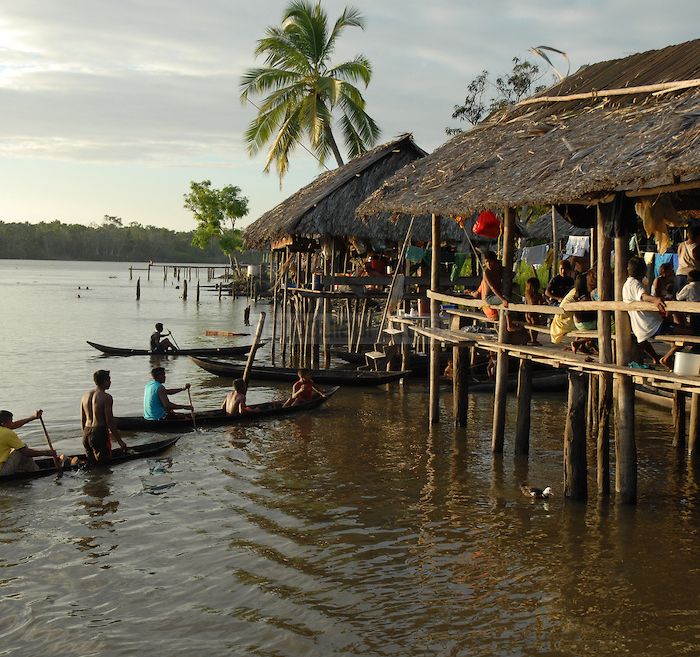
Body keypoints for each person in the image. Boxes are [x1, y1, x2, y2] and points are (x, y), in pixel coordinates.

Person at [622, 256, 669, 366]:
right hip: (652, 325)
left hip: (640, 328)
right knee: (691, 333)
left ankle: (657, 358)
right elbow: (643, 296)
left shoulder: (626, 285)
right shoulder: (635, 284)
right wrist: (656, 300)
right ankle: (666, 358)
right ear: (643, 271)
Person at [81, 369, 127, 464]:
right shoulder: (106, 397)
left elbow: (83, 419)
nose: (110, 382)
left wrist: (86, 436)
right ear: (104, 381)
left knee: (93, 465)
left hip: (86, 431)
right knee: (104, 466)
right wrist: (120, 441)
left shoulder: (85, 396)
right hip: (99, 432)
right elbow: (109, 421)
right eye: (109, 380)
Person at [0, 409, 59, 475]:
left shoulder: (3, 429)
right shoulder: (7, 433)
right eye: (11, 421)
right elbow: (26, 453)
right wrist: (47, 453)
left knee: (20, 448)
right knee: (20, 449)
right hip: (2, 473)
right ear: (3, 424)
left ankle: (23, 469)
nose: (13, 423)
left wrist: (33, 417)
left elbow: (13, 425)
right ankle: (36, 471)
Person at [571, 273, 598, 354]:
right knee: (605, 329)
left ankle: (582, 345)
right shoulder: (588, 296)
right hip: (586, 324)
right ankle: (578, 343)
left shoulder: (577, 295)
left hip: (577, 323)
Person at [676, 225, 700, 289]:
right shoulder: (697, 248)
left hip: (680, 274)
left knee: (680, 297)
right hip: (693, 277)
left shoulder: (681, 245)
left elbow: (679, 256)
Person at [524, 277, 546, 344]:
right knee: (535, 326)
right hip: (534, 313)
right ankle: (534, 340)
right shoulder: (537, 295)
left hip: (527, 313)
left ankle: (532, 339)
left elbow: (526, 303)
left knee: (531, 327)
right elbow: (540, 303)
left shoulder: (527, 295)